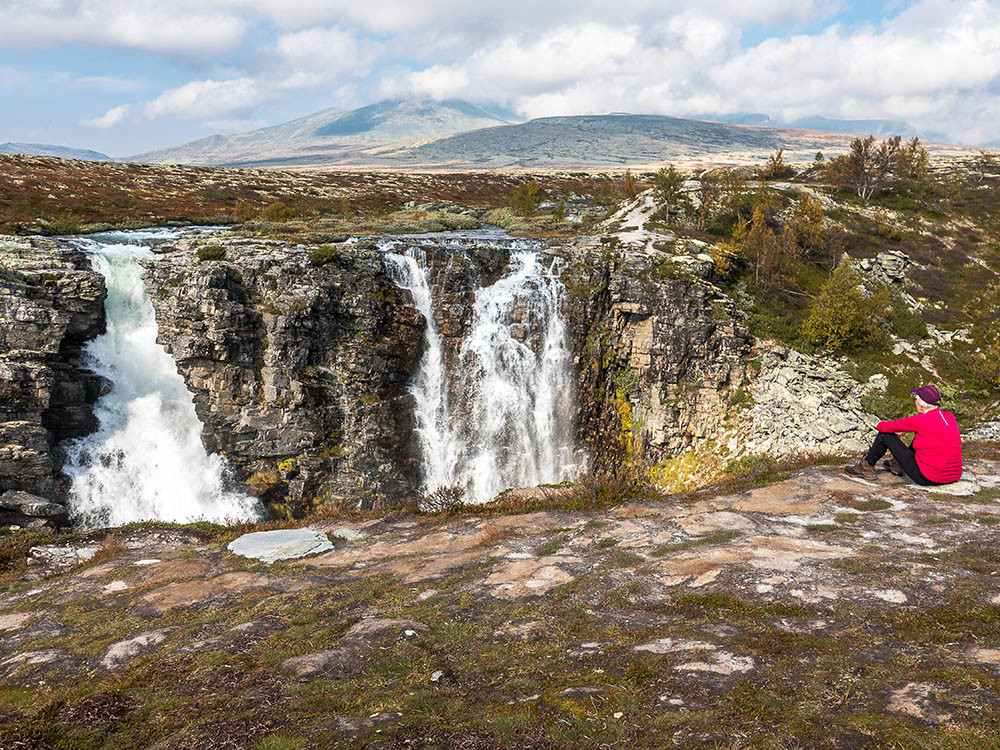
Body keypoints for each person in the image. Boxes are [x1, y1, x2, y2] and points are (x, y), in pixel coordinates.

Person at [845, 385, 962, 485]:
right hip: (953, 476)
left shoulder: (919, 420)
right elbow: (929, 430)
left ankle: (867, 466)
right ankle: (897, 464)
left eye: (916, 400)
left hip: (927, 478)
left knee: (884, 435)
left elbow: (883, 426)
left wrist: (904, 428)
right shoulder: (949, 416)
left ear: (921, 406)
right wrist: (909, 429)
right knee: (923, 438)